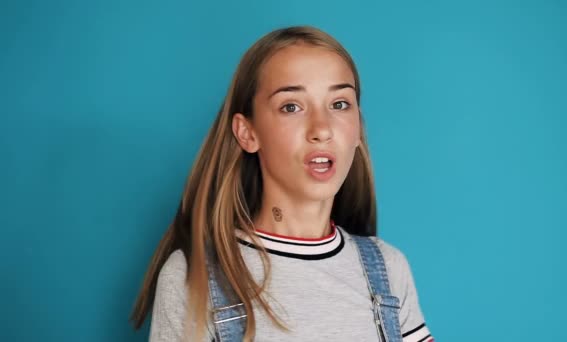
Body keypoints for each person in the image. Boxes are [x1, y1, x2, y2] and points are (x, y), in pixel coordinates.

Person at [130, 25, 433, 342]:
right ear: (248, 133)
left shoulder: (388, 269)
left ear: (358, 128)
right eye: (292, 106)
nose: (322, 129)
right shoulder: (193, 278)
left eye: (340, 103)